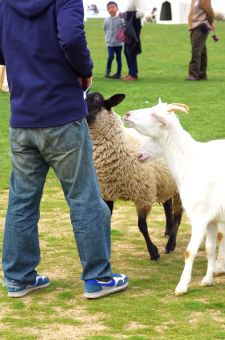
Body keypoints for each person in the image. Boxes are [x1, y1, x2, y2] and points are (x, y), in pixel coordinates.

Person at [0, 0, 128, 299]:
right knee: (84, 197)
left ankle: (18, 277)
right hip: (62, 115)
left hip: (23, 118)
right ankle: (98, 278)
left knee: (21, 201)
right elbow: (70, 37)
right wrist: (85, 71)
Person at [185, 0, 216, 81]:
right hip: (194, 27)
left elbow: (209, 12)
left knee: (196, 51)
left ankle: (193, 74)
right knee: (202, 51)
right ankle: (202, 74)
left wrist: (210, 23)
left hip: (200, 27)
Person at [119, 0, 145, 81]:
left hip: (134, 26)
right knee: (126, 51)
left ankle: (133, 74)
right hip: (129, 25)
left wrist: (125, 15)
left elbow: (140, 13)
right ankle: (130, 73)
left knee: (131, 49)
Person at [103, 1, 123, 79]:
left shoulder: (120, 19)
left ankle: (118, 73)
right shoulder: (106, 20)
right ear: (107, 10)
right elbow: (105, 29)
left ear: (117, 9)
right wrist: (108, 38)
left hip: (119, 43)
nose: (111, 9)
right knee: (111, 56)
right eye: (109, 8)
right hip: (109, 43)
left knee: (118, 58)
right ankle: (108, 70)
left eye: (113, 7)